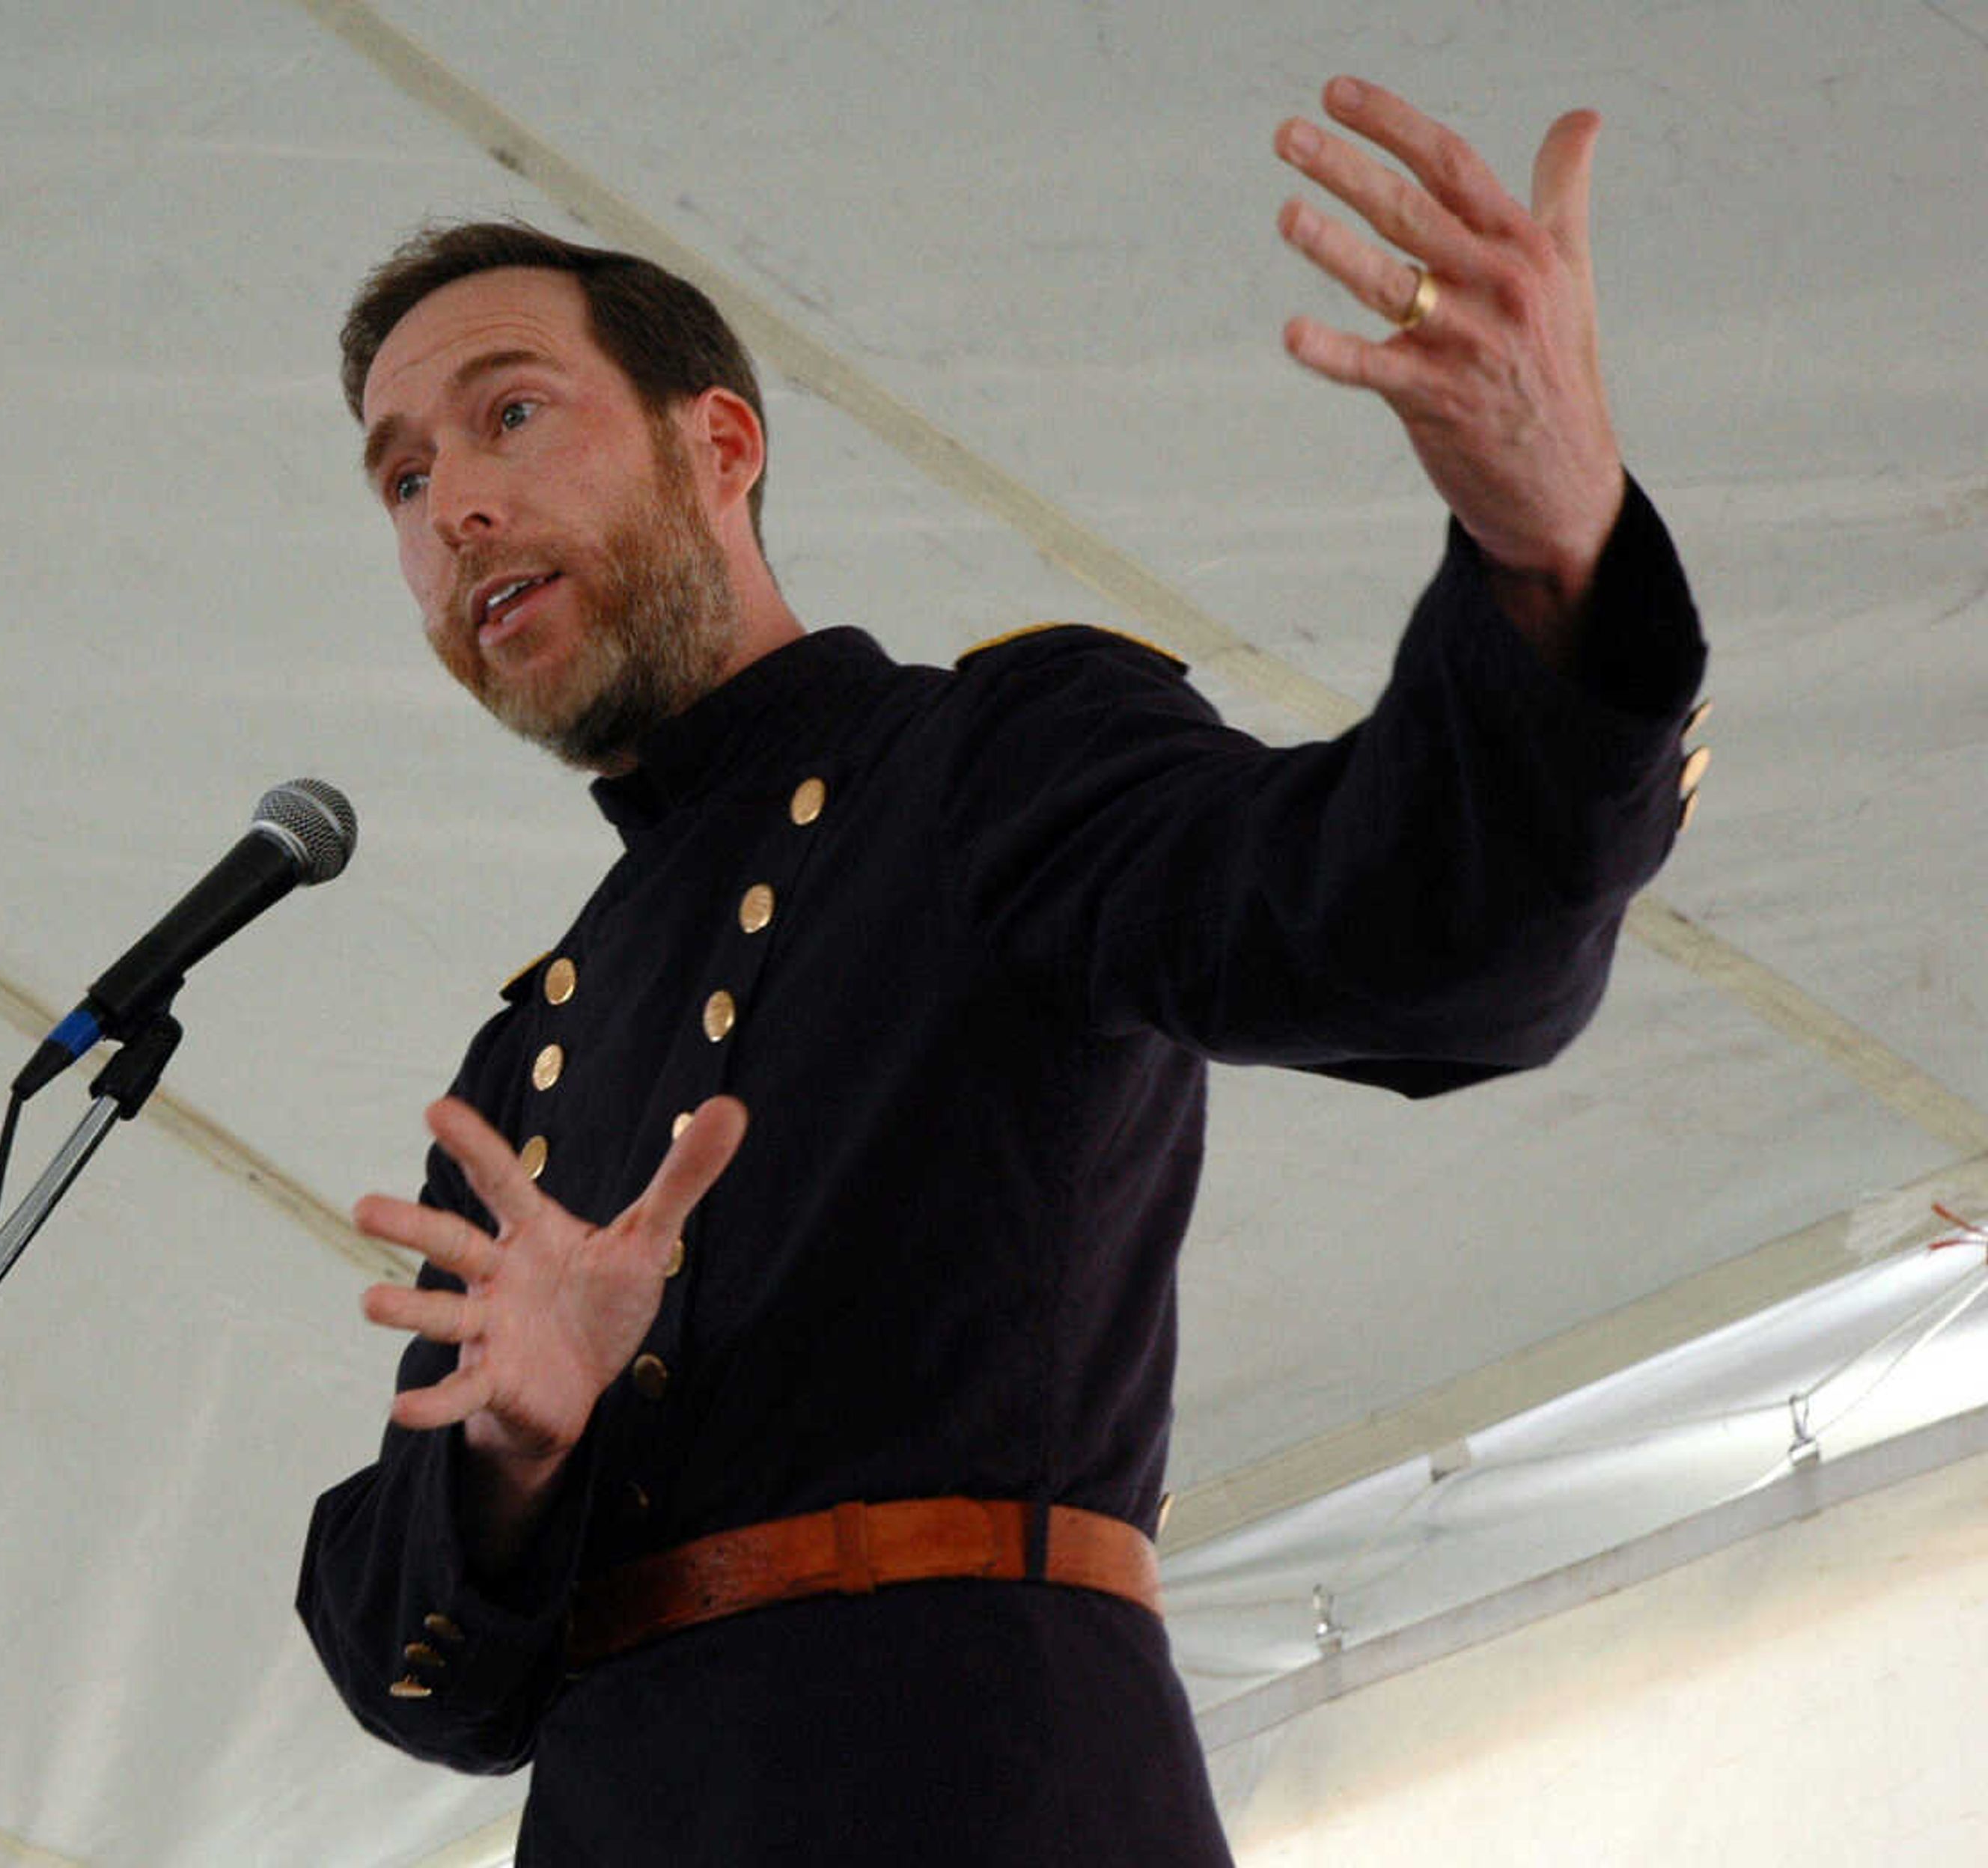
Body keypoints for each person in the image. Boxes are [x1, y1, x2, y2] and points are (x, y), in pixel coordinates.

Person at [296, 76, 1704, 1863]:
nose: (457, 511)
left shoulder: (989, 760)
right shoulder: (523, 1067)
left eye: (511, 417)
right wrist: (513, 1454)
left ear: (719, 445)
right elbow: (419, 1683)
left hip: (975, 1787)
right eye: (405, 478)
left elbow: (1400, 934)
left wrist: (1556, 550)